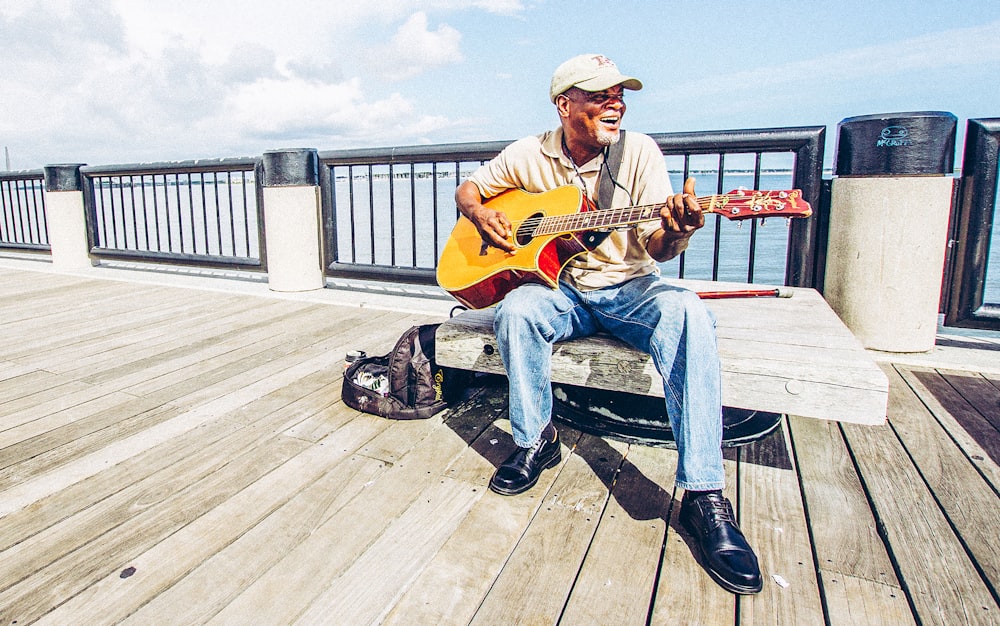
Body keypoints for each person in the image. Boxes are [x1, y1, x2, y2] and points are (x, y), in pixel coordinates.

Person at [454, 54, 762, 595]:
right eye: (599, 95)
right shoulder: (528, 153)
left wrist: (681, 231)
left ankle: (703, 495)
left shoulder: (638, 152)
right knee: (516, 310)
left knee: (689, 311)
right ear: (564, 104)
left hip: (629, 288)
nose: (614, 103)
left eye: (620, 93)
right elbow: (468, 191)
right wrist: (481, 215)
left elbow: (658, 250)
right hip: (561, 289)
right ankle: (534, 442)